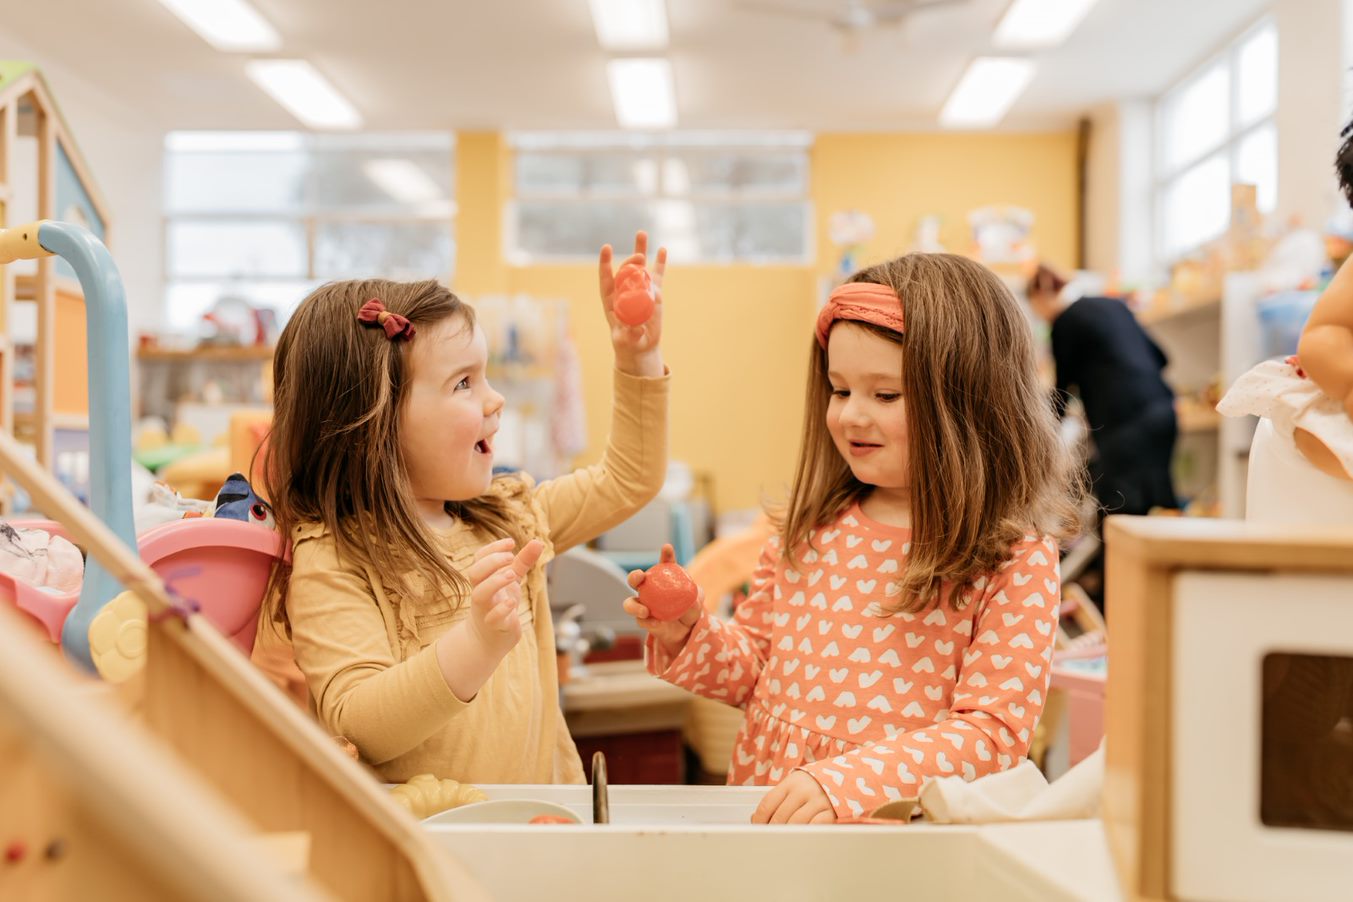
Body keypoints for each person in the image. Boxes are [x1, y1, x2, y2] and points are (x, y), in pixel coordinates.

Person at [626, 253, 1081, 822]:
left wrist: (845, 783)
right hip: (775, 818)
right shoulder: (811, 526)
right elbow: (755, 671)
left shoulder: (1014, 558)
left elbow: (991, 735)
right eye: (840, 391)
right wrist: (687, 633)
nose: (850, 416)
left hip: (894, 837)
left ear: (970, 404)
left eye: (885, 395)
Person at [254, 233, 670, 785]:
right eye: (464, 383)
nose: (495, 400)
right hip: (433, 849)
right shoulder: (333, 558)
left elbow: (628, 479)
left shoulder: (510, 514)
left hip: (539, 829)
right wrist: (474, 644)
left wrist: (637, 357)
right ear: (376, 423)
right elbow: (359, 721)